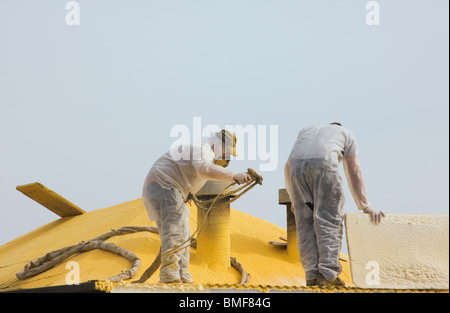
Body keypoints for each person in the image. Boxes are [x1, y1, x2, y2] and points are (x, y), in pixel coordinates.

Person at [142, 130, 251, 283]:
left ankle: (182, 276)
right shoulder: (204, 150)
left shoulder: (202, 152)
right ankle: (169, 276)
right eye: (226, 152)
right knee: (176, 231)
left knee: (183, 233)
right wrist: (233, 175)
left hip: (162, 188)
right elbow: (203, 169)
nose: (227, 157)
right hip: (164, 186)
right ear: (218, 145)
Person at [284, 123, 385, 287]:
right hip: (323, 164)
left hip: (296, 167)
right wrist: (365, 205)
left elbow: (287, 166)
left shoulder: (307, 131)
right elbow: (354, 169)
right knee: (328, 220)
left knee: (304, 223)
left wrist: (294, 200)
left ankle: (311, 275)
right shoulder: (346, 133)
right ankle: (327, 275)